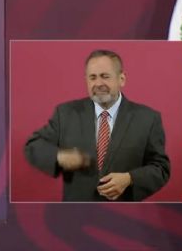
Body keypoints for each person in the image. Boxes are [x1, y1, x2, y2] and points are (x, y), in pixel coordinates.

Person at [24, 49, 170, 201]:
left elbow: (161, 168)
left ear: (122, 79)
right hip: (75, 215)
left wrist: (130, 178)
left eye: (105, 76)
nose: (98, 83)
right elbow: (33, 146)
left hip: (125, 215)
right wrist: (59, 156)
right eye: (92, 77)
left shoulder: (147, 118)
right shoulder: (66, 113)